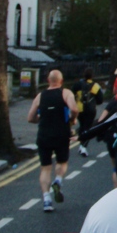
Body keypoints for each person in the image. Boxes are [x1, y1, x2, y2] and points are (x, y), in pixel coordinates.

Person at [27, 69, 78, 212]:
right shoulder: (66, 93)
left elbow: (30, 118)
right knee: (62, 162)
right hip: (61, 133)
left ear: (48, 81)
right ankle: (58, 181)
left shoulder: (40, 96)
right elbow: (74, 108)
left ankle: (46, 200)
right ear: (61, 81)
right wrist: (72, 119)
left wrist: (40, 118)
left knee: (45, 168)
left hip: (44, 134)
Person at [72, 68, 104, 158]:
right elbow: (100, 100)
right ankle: (83, 146)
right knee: (88, 128)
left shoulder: (77, 84)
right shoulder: (95, 86)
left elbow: (71, 95)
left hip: (80, 109)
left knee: (82, 126)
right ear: (92, 76)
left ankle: (81, 144)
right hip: (90, 110)